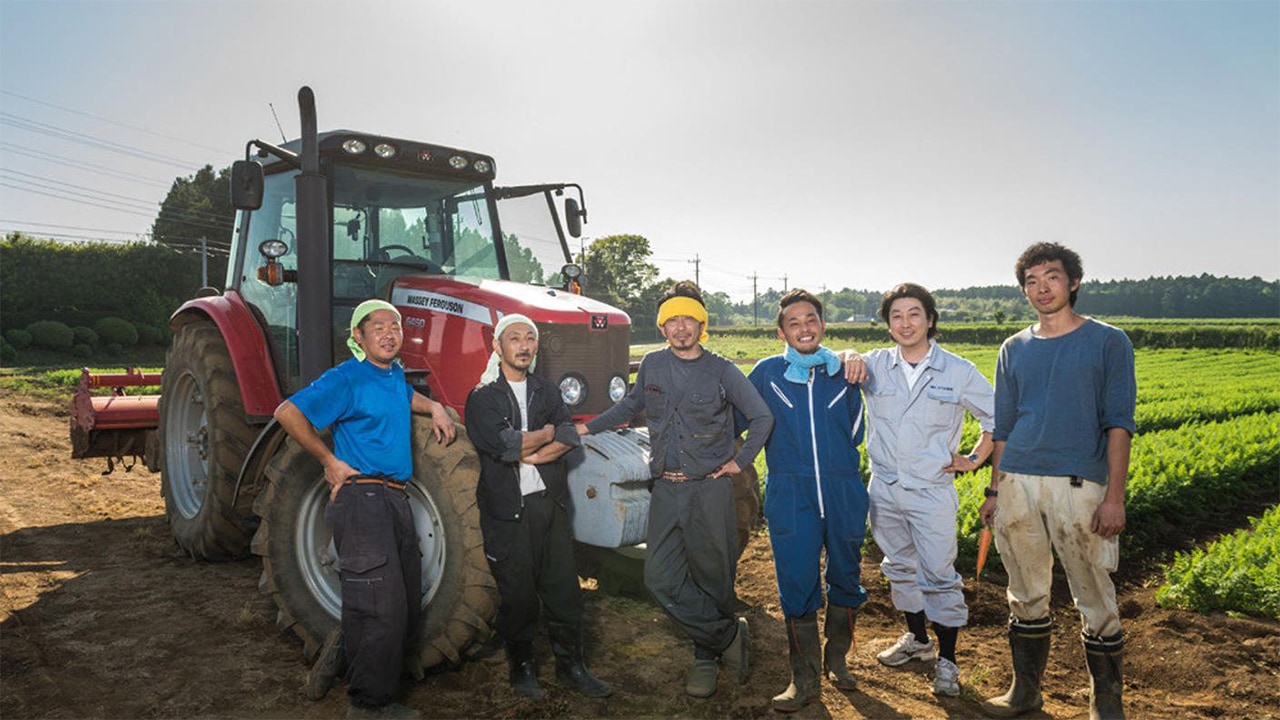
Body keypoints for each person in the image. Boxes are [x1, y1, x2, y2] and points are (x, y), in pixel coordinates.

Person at [576, 280, 774, 699]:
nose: (681, 328)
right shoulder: (652, 365)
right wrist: (585, 427)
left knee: (713, 576)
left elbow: (761, 417)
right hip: (665, 488)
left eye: (690, 320)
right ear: (663, 328)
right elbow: (631, 406)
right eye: (672, 321)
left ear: (701, 326)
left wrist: (740, 462)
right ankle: (726, 635)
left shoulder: (721, 370)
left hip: (709, 490)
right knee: (660, 576)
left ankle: (706, 656)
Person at [274, 299, 456, 720]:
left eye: (395, 326)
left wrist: (436, 407)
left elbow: (405, 396)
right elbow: (288, 413)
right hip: (361, 499)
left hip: (395, 498)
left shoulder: (391, 375)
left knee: (402, 600)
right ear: (358, 336)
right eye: (378, 327)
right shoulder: (347, 377)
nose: (390, 333)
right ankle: (369, 706)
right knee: (381, 605)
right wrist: (329, 461)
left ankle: (345, 660)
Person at [978, 243, 1136, 720]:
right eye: (1031, 280)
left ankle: (1105, 703)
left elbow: (1119, 423)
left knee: (1094, 592)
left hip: (1076, 485)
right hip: (1017, 480)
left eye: (1051, 277)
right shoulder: (1014, 347)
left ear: (1073, 283)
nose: (1041, 287)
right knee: (1024, 589)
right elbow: (1003, 426)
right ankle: (1025, 692)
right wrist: (993, 490)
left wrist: (1114, 497)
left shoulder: (1108, 341)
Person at [463, 314, 612, 700]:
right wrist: (541, 435)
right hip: (508, 514)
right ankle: (522, 670)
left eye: (530, 338)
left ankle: (572, 668)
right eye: (515, 338)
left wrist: (533, 454)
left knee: (565, 591)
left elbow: (568, 436)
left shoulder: (547, 390)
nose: (525, 345)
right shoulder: (482, 397)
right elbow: (503, 445)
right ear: (498, 347)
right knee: (518, 598)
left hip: (550, 506)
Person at [859, 283, 994, 699]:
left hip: (932, 491)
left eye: (914, 314)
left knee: (938, 574)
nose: (905, 323)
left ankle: (948, 662)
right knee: (899, 566)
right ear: (887, 324)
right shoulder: (874, 365)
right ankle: (918, 642)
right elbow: (836, 362)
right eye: (896, 316)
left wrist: (973, 458)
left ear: (930, 319)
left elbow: (998, 418)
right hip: (884, 487)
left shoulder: (958, 371)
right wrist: (845, 355)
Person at [745, 289, 868, 712]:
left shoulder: (844, 373)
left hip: (843, 487)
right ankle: (804, 676)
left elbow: (856, 432)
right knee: (796, 581)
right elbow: (738, 421)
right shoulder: (766, 373)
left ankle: (838, 659)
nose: (804, 328)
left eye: (810, 319)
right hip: (789, 489)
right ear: (782, 332)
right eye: (794, 322)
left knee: (847, 575)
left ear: (823, 325)